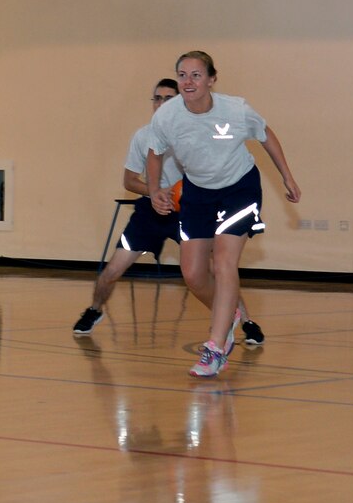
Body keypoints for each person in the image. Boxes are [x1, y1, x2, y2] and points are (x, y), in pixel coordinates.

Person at [145, 51, 300, 378]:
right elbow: (154, 151)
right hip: (198, 192)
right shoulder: (167, 116)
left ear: (211, 79)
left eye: (196, 75)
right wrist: (155, 188)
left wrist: (286, 175)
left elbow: (266, 135)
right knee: (193, 274)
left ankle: (216, 347)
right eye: (183, 75)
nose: (188, 81)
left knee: (224, 261)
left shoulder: (236, 109)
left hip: (239, 188)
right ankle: (228, 313)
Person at [72, 78, 182, 335]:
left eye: (168, 98)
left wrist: (179, 194)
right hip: (150, 211)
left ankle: (245, 321)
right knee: (113, 269)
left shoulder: (191, 134)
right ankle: (95, 309)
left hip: (184, 212)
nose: (161, 103)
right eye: (157, 98)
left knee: (208, 272)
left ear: (179, 102)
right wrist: (155, 193)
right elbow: (130, 181)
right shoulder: (143, 136)